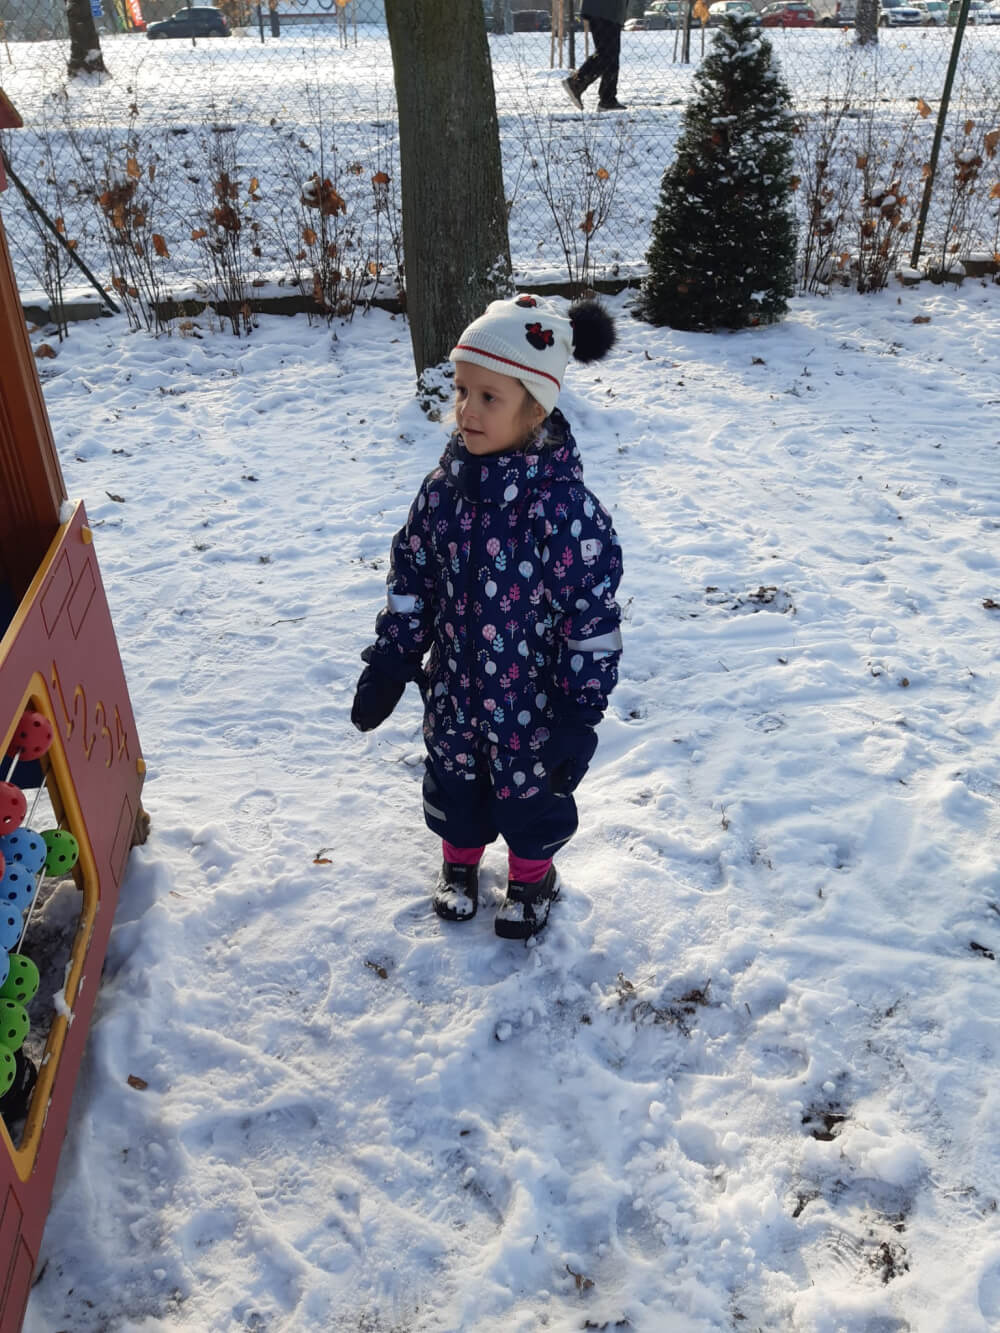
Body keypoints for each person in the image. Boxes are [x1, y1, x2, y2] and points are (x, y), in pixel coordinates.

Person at [351, 295, 623, 940]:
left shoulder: (566, 512)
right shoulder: (441, 493)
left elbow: (590, 621)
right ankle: (459, 865)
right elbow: (412, 579)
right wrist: (392, 658)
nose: (466, 410)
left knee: (532, 799)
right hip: (455, 690)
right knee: (455, 785)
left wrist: (579, 714)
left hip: (533, 703)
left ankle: (532, 878)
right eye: (462, 390)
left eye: (489, 397)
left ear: (537, 409)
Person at [562, 0, 628, 113]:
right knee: (607, 52)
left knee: (610, 53)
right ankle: (576, 82)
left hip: (607, 10)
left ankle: (607, 99)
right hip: (605, 9)